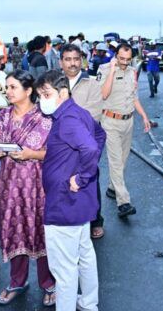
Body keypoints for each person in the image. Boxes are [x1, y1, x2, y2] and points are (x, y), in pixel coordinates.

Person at [0, 70, 56, 306]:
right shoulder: (3, 116)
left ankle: (49, 283)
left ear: (28, 91)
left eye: (13, 87)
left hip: (38, 186)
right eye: (6, 87)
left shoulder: (45, 118)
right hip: (9, 185)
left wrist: (31, 154)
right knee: (15, 229)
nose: (8, 91)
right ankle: (17, 281)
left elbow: (56, 153)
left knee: (41, 230)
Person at [35, 70, 105, 311]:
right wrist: (82, 174)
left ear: (62, 92)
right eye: (39, 95)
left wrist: (82, 176)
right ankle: (88, 302)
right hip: (78, 203)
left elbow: (91, 149)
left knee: (63, 269)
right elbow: (99, 134)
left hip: (64, 203)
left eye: (46, 94)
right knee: (84, 254)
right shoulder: (77, 112)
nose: (42, 100)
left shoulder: (67, 120)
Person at [97, 43, 151, 218]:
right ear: (115, 55)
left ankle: (113, 188)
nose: (125, 63)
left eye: (128, 59)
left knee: (123, 159)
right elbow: (103, 95)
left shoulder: (132, 71)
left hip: (128, 121)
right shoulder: (104, 69)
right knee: (115, 161)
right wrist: (112, 71)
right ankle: (124, 202)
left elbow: (134, 97)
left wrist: (144, 116)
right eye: (121, 59)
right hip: (110, 121)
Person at [60, 44, 105, 240]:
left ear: (82, 61)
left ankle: (95, 220)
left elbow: (92, 116)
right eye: (68, 59)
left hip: (86, 144)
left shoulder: (92, 84)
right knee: (62, 181)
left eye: (76, 59)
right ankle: (69, 218)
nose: (72, 63)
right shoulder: (53, 84)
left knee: (89, 180)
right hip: (60, 146)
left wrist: (66, 121)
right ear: (61, 62)